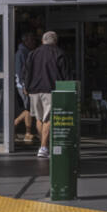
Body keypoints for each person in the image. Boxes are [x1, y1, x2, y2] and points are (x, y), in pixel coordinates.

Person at [23, 29, 70, 159]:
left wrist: (26, 87)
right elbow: (66, 75)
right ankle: (43, 147)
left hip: (34, 90)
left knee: (39, 119)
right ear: (55, 41)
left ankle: (43, 146)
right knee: (48, 119)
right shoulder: (59, 53)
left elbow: (26, 72)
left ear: (43, 41)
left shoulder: (32, 53)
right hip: (51, 89)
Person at [12, 30, 38, 144]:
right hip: (23, 85)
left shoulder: (28, 52)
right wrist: (24, 86)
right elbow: (19, 71)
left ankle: (23, 130)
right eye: (31, 40)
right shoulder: (21, 53)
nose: (34, 42)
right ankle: (23, 130)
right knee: (29, 108)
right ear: (25, 40)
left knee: (29, 108)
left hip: (27, 84)